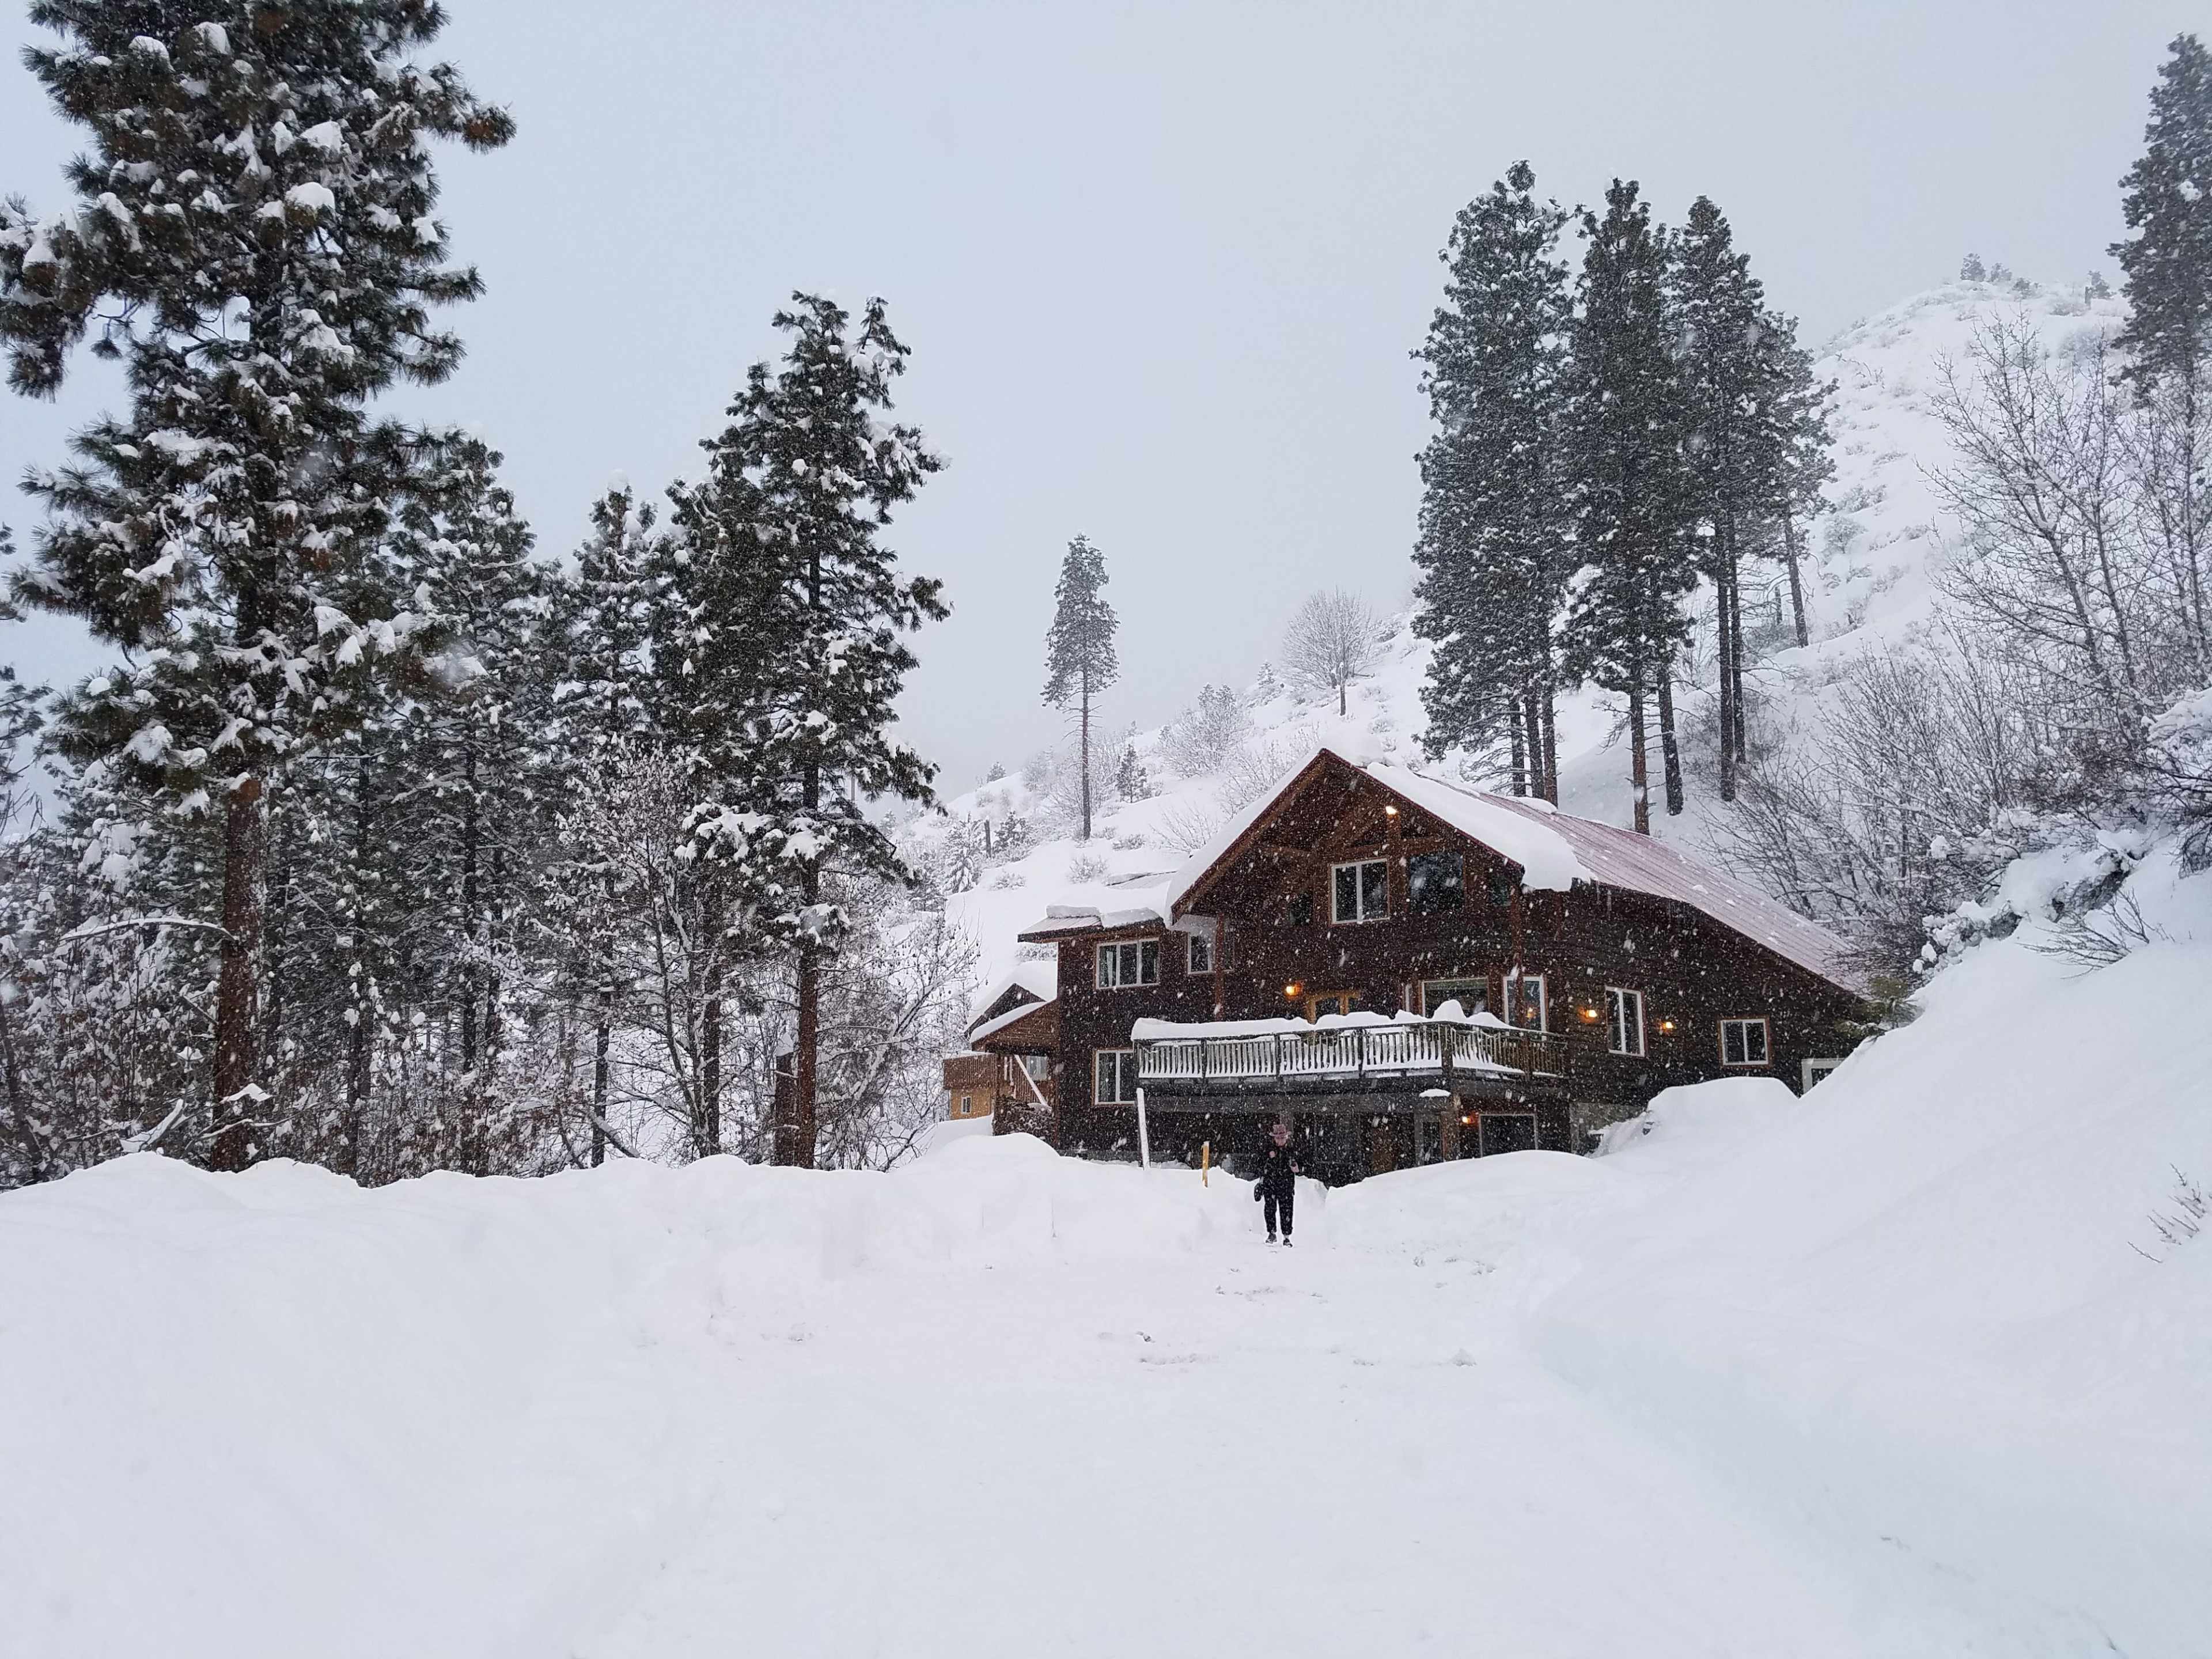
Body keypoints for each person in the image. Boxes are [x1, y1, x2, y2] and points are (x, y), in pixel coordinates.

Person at [1255, 1119, 1302, 1245]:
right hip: (1270, 1185)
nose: (1281, 1140)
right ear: (1274, 1138)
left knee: (1287, 1210)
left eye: (1283, 1138)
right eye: (1278, 1138)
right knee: (1270, 1209)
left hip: (1286, 1186)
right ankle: (1272, 1233)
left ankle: (1287, 1237)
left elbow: (1301, 1167)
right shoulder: (1267, 1150)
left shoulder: (1292, 1151)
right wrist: (1269, 1160)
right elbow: (1259, 1165)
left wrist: (1297, 1168)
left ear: (1286, 1137)